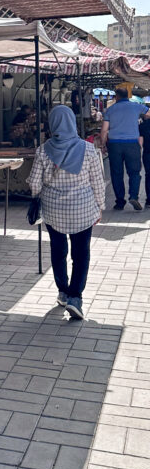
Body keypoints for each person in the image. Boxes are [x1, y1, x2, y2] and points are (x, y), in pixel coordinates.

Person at [28, 105, 105, 320]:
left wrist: (42, 192)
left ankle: (62, 292)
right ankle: (75, 298)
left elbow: (34, 184)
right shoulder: (88, 149)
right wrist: (100, 207)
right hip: (83, 211)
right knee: (81, 255)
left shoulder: (43, 150)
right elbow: (98, 183)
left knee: (58, 251)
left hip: (53, 213)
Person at [100, 85, 150, 210]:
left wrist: (102, 144)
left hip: (115, 144)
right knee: (134, 172)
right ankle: (133, 196)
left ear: (116, 96)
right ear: (127, 96)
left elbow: (104, 130)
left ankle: (120, 202)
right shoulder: (136, 106)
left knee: (116, 173)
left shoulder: (110, 110)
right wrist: (143, 120)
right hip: (132, 144)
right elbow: (148, 113)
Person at [139, 104, 150, 206]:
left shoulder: (142, 126)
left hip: (147, 153)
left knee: (148, 175)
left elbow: (140, 143)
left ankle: (149, 200)